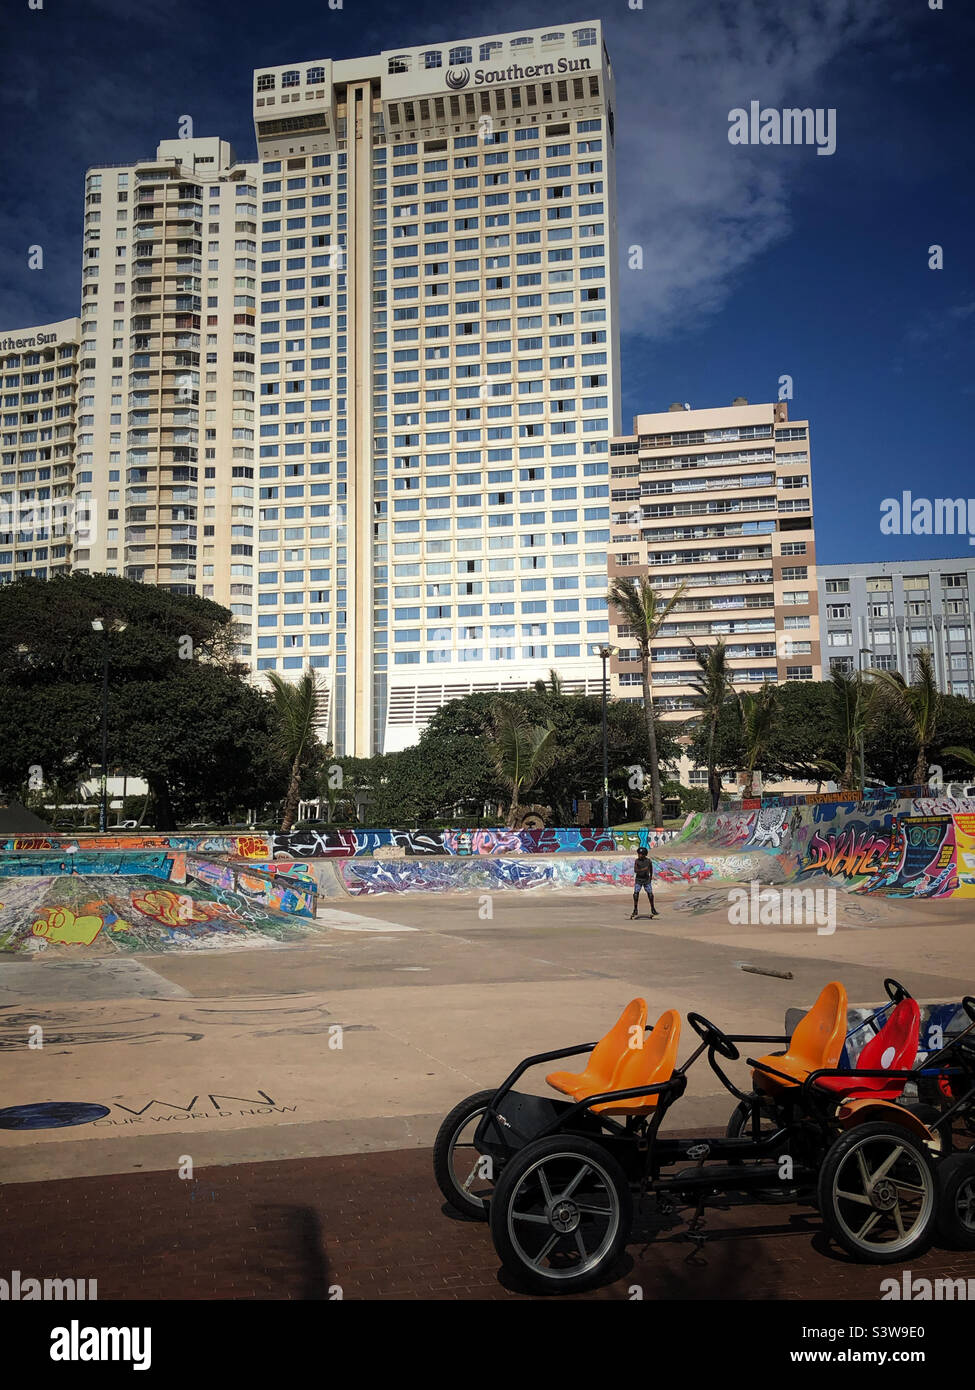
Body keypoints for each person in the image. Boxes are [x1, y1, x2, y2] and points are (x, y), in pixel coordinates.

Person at [630, 846, 658, 920]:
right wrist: (643, 869)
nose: (639, 855)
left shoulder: (648, 861)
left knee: (650, 894)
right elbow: (636, 870)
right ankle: (635, 909)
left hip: (646, 879)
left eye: (641, 854)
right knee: (636, 893)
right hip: (639, 879)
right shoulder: (637, 861)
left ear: (645, 854)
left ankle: (653, 908)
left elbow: (651, 869)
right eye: (639, 854)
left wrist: (651, 877)